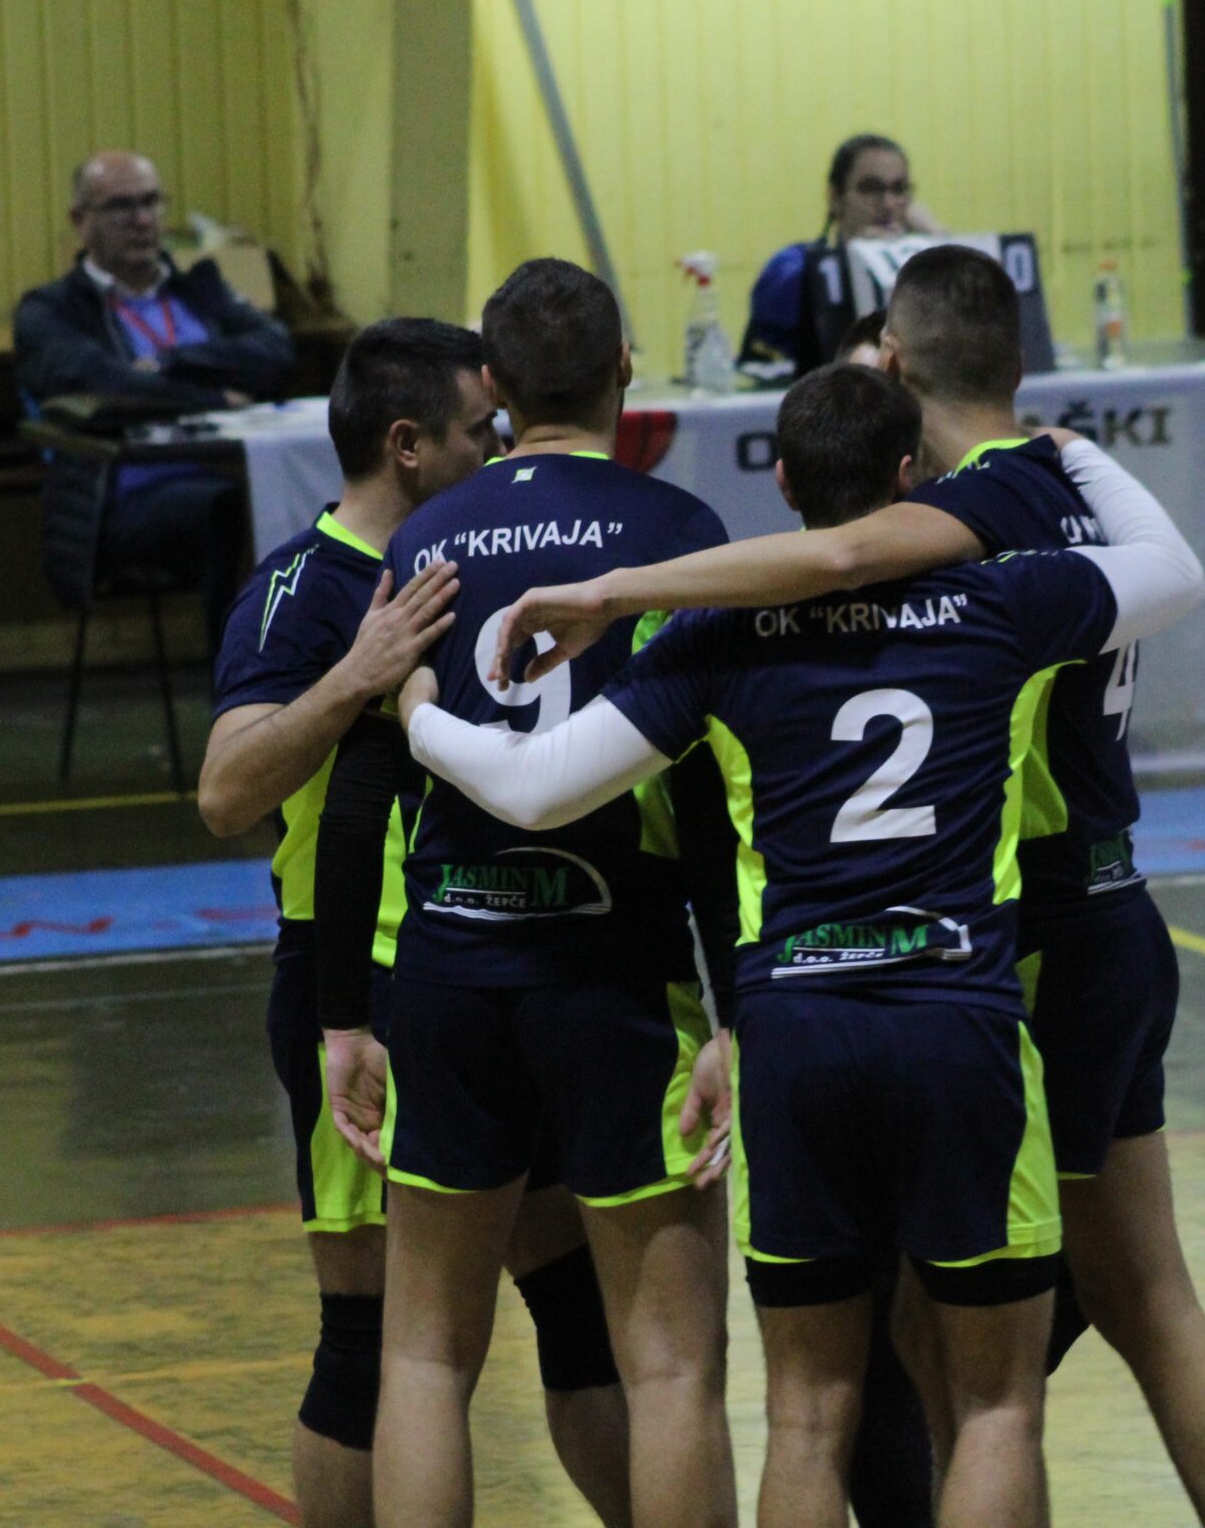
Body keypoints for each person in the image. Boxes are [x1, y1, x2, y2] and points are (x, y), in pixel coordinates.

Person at [486, 246, 1205, 1527]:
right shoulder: (1057, 502)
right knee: (1132, 1300)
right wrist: (1083, 453)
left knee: (893, 1376)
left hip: (984, 949)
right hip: (1111, 915)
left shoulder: (958, 526)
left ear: (893, 372)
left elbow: (830, 563)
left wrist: (604, 596)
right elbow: (1168, 567)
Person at [314, 261, 738, 1528]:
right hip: (617, 974)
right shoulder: (680, 532)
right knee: (670, 1369)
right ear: (626, 369)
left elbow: (359, 795)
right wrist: (739, 1010)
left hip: (450, 972)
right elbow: (711, 806)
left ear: (493, 386)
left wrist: (344, 1013)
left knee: (424, 1357)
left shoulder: (425, 538)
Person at [197, 318, 637, 1526]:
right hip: (362, 987)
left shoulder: (486, 559)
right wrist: (356, 674)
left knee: (576, 1309)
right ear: (405, 445)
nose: (499, 449)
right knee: (372, 1339)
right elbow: (226, 793)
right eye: (478, 431)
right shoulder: (304, 589)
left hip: (497, 966)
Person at [14, 150, 295, 647]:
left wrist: (168, 363)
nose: (142, 220)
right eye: (121, 207)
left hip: (226, 466)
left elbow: (274, 352)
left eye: (151, 203)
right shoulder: (51, 311)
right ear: (80, 222)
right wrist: (213, 395)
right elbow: (104, 383)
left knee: (308, 496)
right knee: (235, 508)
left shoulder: (198, 289)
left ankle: (309, 676)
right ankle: (242, 684)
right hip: (119, 498)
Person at [740, 135, 942, 380]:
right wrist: (856, 256)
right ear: (835, 197)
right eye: (870, 189)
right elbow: (763, 370)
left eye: (898, 189)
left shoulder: (921, 270)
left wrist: (937, 239)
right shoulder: (796, 268)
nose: (888, 204)